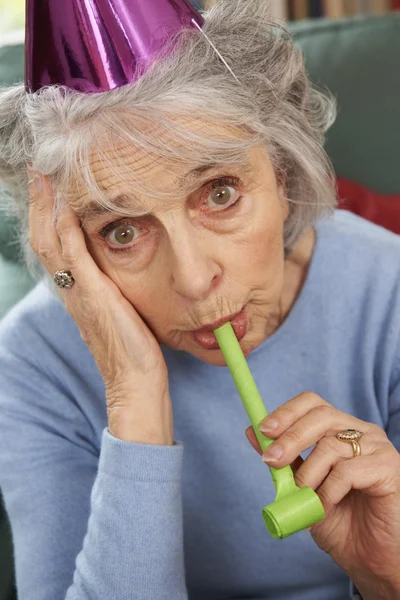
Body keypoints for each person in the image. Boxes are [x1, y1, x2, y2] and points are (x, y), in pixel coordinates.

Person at [0, 0, 399, 599]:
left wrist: (386, 575)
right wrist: (132, 395)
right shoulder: (33, 362)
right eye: (123, 232)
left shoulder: (388, 291)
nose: (192, 279)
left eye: (220, 193)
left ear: (283, 177)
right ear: (67, 249)